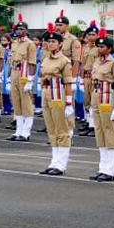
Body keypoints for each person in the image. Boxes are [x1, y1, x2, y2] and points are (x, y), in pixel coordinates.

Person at [38, 27, 74, 176]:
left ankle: (61, 164)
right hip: (46, 94)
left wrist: (69, 103)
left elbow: (67, 82)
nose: (50, 44)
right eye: (49, 41)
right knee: (51, 129)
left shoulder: (64, 61)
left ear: (60, 44)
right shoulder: (45, 58)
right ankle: (54, 161)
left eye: (54, 41)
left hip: (58, 94)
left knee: (61, 130)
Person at [90, 33, 114, 181]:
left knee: (109, 131)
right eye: (98, 46)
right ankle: (102, 167)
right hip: (96, 96)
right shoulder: (96, 62)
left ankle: (110, 169)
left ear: (109, 49)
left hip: (108, 97)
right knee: (99, 131)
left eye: (102, 47)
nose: (99, 49)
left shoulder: (113, 63)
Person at [7, 16, 38, 141]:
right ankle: (18, 131)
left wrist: (30, 79)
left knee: (26, 103)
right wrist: (9, 78)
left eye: (21, 29)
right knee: (16, 101)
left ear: (26, 30)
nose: (19, 31)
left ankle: (26, 132)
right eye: (17, 29)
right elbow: (11, 61)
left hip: (24, 74)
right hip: (14, 72)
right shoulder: (14, 43)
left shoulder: (30, 44)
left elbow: (32, 63)